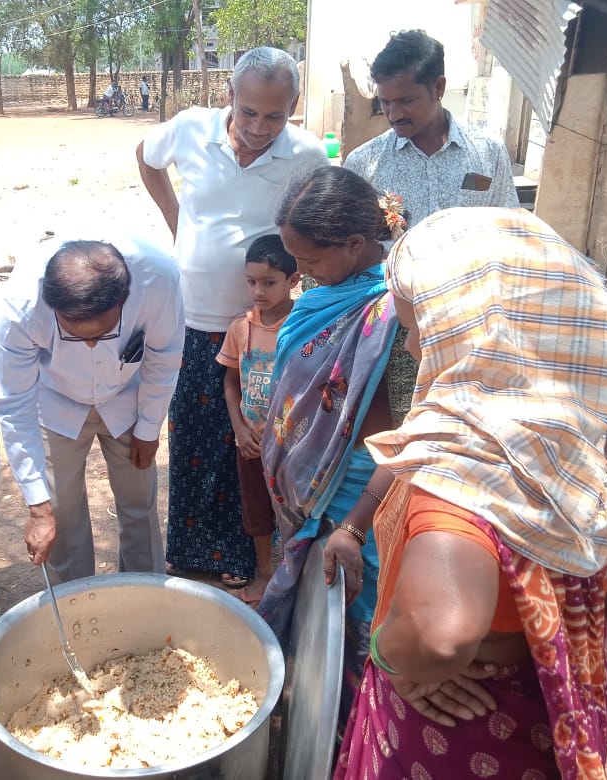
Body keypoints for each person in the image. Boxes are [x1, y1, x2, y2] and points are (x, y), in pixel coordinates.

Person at [334, 206, 607, 779]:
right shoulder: (605, 430)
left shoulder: (465, 460)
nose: (412, 349)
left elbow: (438, 636)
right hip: (557, 713)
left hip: (458, 730)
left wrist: (391, 661)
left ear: (460, 326)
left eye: (414, 330)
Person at [137, 46, 327, 586]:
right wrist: (179, 223)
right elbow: (146, 157)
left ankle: (242, 557)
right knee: (195, 436)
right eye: (249, 112)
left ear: (293, 107)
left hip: (264, 326)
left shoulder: (307, 154)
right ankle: (192, 552)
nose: (260, 126)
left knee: (249, 443)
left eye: (276, 115)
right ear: (229, 98)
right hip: (194, 318)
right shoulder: (189, 129)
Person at [256, 166, 417, 737]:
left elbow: (410, 434)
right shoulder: (326, 297)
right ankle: (324, 729)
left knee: (358, 620)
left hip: (367, 497)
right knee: (320, 618)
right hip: (313, 493)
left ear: (354, 244)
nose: (300, 276)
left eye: (312, 261)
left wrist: (355, 523)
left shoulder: (397, 315)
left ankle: (357, 737)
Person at [0, 239, 184, 581]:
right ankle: (76, 609)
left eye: (103, 333)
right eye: (77, 336)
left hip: (128, 399)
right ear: (52, 307)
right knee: (60, 514)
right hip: (54, 402)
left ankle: (145, 598)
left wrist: (149, 428)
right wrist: (37, 505)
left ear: (125, 300)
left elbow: (164, 357)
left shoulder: (158, 280)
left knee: (139, 504)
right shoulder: (21, 307)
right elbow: (13, 403)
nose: (92, 345)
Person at [343, 30, 518, 230]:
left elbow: (509, 231)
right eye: (385, 102)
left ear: (439, 88)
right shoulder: (363, 164)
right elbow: (352, 246)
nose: (393, 115)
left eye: (406, 101)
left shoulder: (489, 153)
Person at [216, 235, 300, 606]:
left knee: (294, 508)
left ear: (293, 280)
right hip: (249, 440)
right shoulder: (241, 328)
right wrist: (239, 427)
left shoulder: (301, 324)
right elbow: (231, 382)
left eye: (269, 282)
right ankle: (265, 570)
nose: (258, 291)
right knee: (256, 508)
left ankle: (294, 572)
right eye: (252, 282)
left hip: (291, 443)